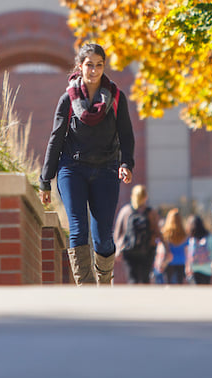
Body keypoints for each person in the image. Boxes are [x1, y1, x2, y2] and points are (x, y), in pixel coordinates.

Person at [40, 43, 135, 285]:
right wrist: (45, 181)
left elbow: (126, 134)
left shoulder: (115, 98)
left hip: (106, 169)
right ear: (80, 66)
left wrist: (127, 163)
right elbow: (56, 139)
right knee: (78, 229)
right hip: (72, 169)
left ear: (104, 67)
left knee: (103, 236)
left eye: (99, 65)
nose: (93, 70)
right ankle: (87, 288)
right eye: (89, 65)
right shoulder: (68, 100)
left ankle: (104, 282)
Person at [114, 184, 160, 284]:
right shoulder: (151, 213)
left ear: (132, 196)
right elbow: (158, 233)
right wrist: (165, 249)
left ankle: (133, 298)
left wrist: (117, 249)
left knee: (132, 279)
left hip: (129, 250)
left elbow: (117, 232)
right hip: (148, 250)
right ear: (145, 197)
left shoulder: (126, 211)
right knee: (145, 279)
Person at [160, 209, 188, 284]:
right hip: (181, 261)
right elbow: (186, 250)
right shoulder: (184, 234)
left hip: (168, 261)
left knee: (169, 283)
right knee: (179, 283)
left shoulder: (165, 234)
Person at [185, 215, 212, 285]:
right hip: (207, 268)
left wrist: (188, 267)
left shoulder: (191, 239)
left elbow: (189, 254)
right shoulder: (208, 236)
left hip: (194, 268)